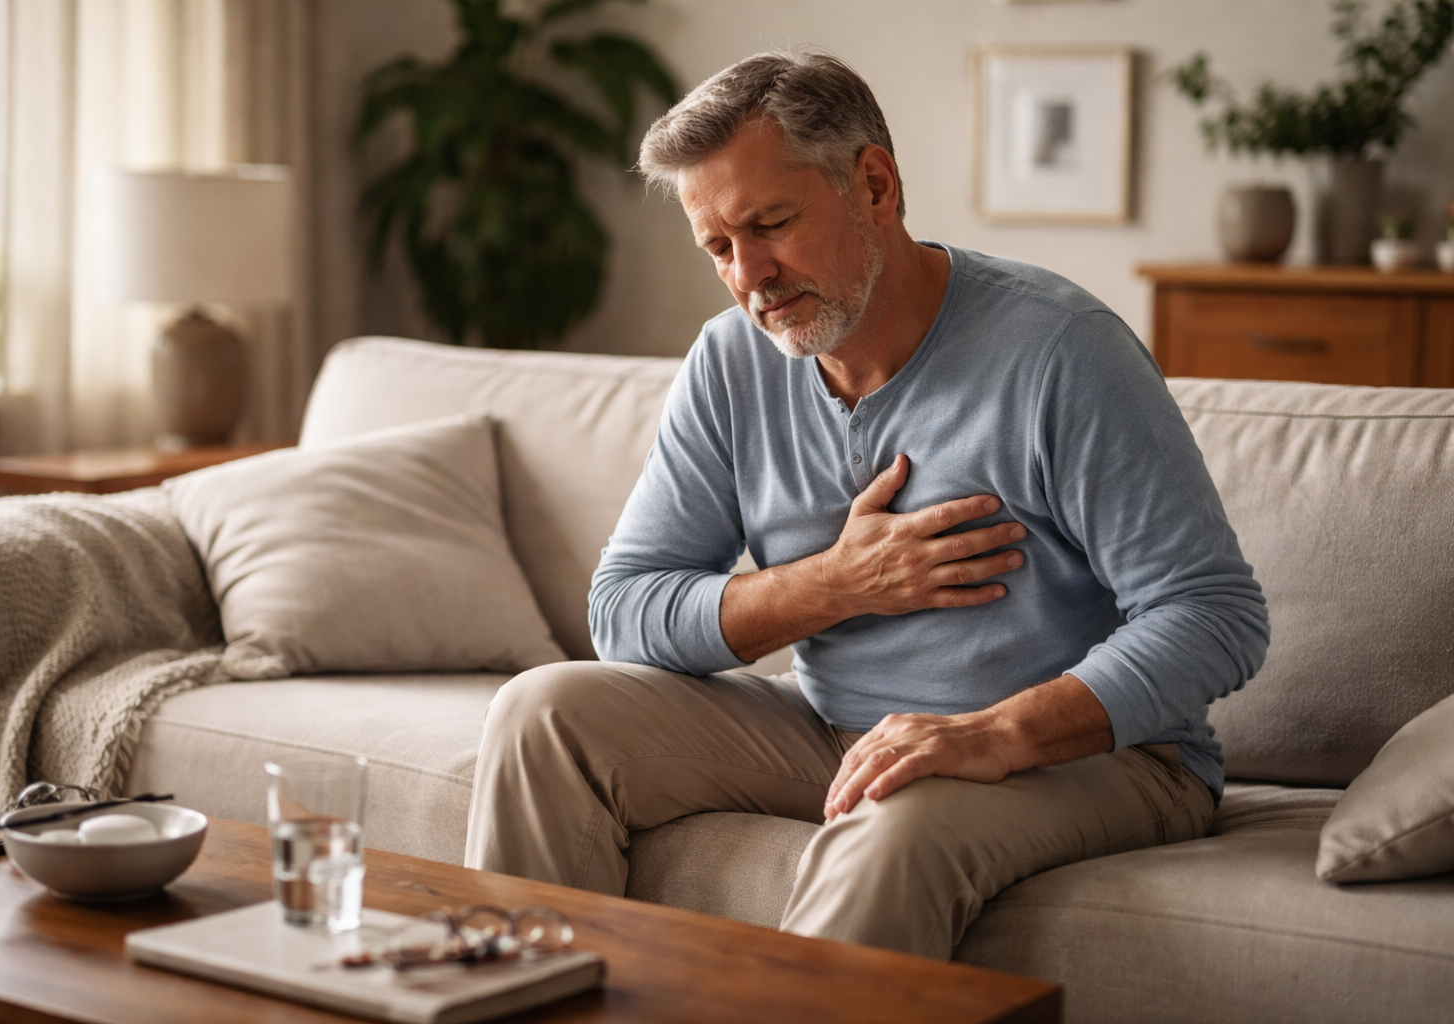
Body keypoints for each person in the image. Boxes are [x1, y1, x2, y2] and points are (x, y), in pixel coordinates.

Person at [464, 51, 1269, 959]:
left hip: (1101, 758)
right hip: (837, 729)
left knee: (898, 812)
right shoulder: (730, 362)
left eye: (771, 224)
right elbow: (623, 611)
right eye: (719, 248)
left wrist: (995, 734)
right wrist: (835, 585)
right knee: (544, 714)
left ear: (875, 187)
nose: (749, 276)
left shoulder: (1062, 353)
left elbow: (1215, 616)